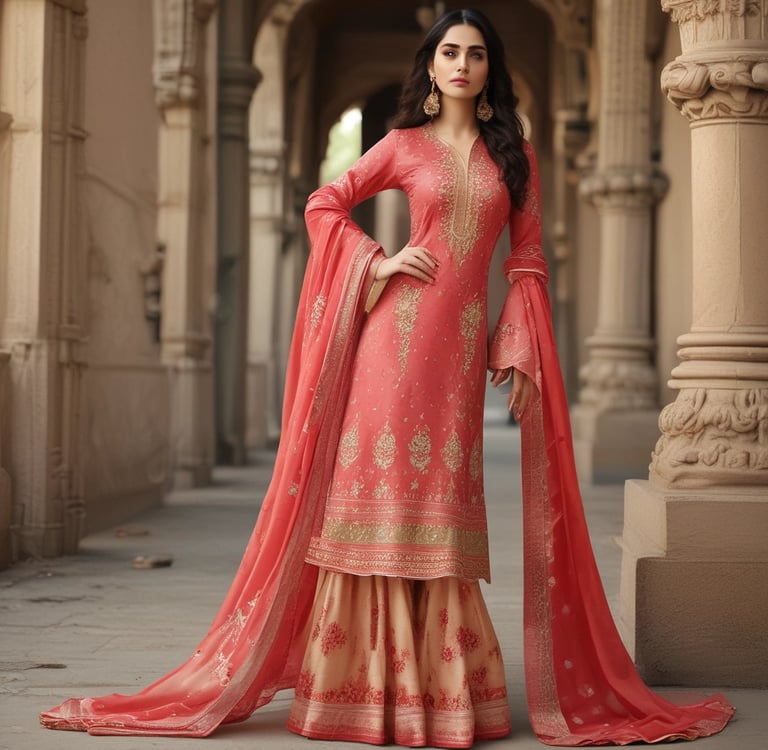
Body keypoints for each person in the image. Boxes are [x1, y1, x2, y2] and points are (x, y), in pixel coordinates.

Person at [40, 8, 734, 748]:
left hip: (460, 355)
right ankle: (363, 690)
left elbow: (525, 258)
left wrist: (519, 343)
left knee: (439, 506)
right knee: (381, 500)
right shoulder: (404, 146)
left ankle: (439, 689)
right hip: (390, 347)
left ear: (489, 70)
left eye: (474, 54)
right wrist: (380, 263)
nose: (462, 64)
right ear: (430, 69)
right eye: (448, 53)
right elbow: (324, 203)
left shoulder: (514, 158)